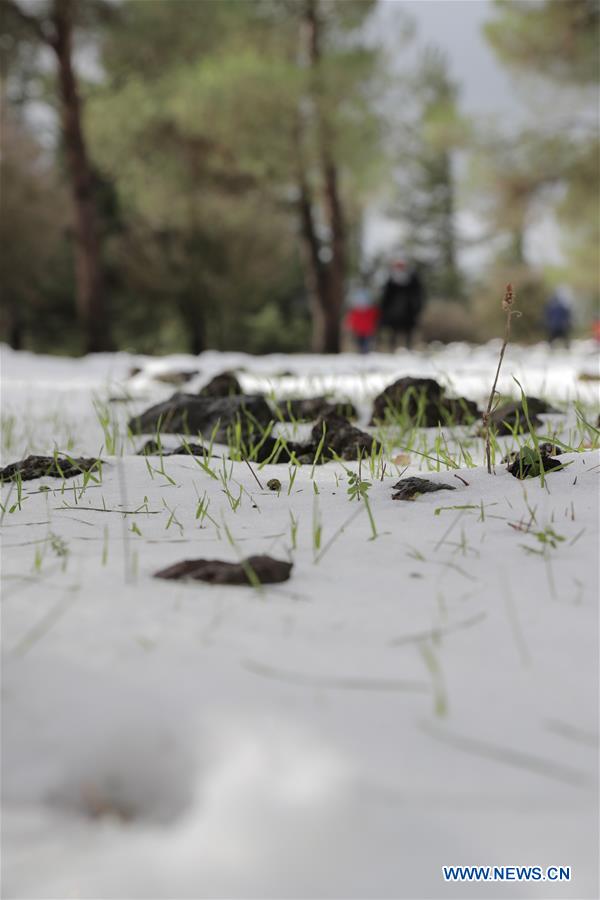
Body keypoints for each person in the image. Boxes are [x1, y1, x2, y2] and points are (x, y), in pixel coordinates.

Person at [379, 258, 425, 350]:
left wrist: (416, 306)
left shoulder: (413, 277)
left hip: (409, 310)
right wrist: (383, 310)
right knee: (393, 331)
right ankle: (392, 348)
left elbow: (418, 293)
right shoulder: (390, 279)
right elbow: (386, 296)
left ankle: (409, 348)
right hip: (393, 312)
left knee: (409, 330)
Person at [345, 280, 379, 354]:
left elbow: (375, 319)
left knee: (366, 345)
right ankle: (362, 353)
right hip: (359, 332)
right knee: (360, 345)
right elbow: (351, 320)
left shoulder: (371, 311)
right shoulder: (355, 312)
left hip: (368, 332)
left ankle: (365, 353)